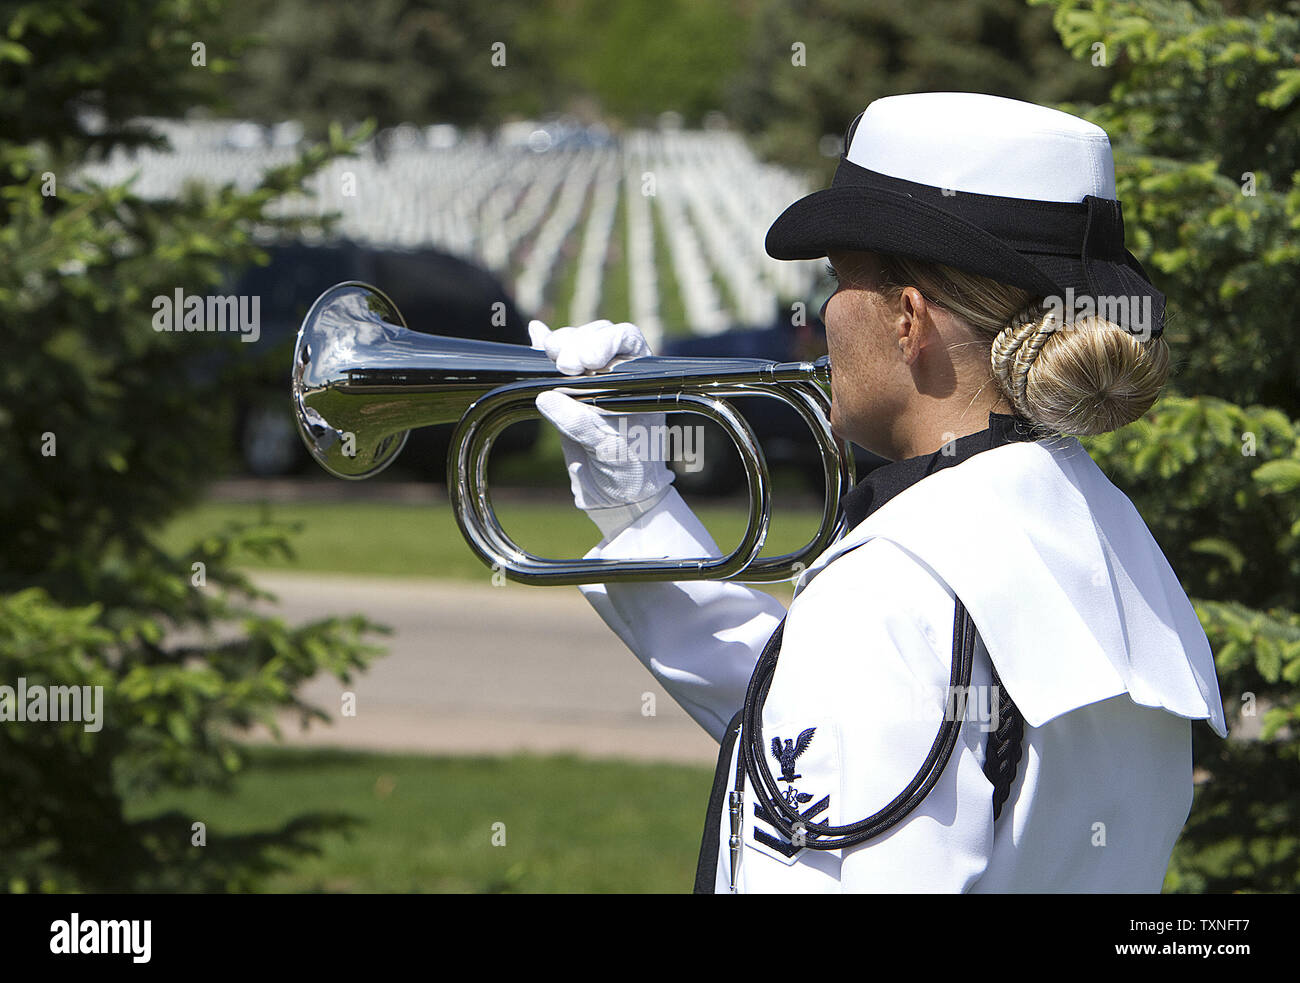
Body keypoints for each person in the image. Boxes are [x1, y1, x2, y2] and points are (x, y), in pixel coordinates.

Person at [528, 92, 1227, 893]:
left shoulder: (895, 584)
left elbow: (872, 699)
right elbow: (832, 728)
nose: (823, 312)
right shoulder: (1108, 540)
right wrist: (638, 507)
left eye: (837, 278)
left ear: (908, 319)